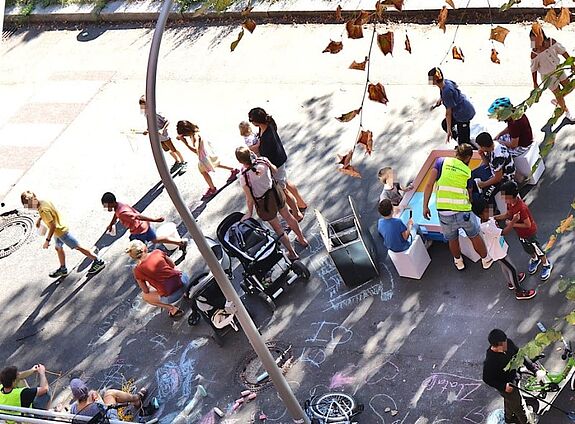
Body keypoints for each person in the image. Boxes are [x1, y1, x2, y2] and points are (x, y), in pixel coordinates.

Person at [422, 144, 493, 270]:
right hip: (463, 212)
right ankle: (485, 259)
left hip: (444, 212)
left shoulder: (440, 162)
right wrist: (470, 204)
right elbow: (469, 193)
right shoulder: (467, 172)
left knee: (452, 239)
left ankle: (458, 261)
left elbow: (429, 185)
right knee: (474, 235)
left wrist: (425, 206)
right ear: (468, 158)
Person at [235, 146, 307, 260]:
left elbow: (249, 198)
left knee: (278, 228)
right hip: (275, 192)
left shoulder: (244, 177)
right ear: (250, 153)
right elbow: (274, 170)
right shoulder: (263, 160)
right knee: (288, 216)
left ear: (240, 161)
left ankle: (292, 253)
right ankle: (302, 239)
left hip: (264, 203)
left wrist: (249, 212)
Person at [21, 191, 105, 278]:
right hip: (58, 231)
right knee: (58, 248)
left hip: (61, 232)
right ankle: (63, 269)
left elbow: (52, 226)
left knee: (78, 247)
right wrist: (40, 219)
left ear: (33, 201)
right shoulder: (43, 202)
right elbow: (50, 213)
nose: (30, 208)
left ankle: (98, 261)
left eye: (29, 206)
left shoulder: (43, 211)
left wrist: (47, 240)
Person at [248, 107, 308, 222]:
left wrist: (255, 149)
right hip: (280, 159)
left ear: (256, 122)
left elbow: (265, 156)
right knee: (285, 182)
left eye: (251, 120)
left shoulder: (266, 138)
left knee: (282, 190)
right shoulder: (268, 124)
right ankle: (301, 203)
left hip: (276, 165)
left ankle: (297, 214)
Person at [471, 198, 536, 300]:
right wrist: (513, 221)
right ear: (480, 215)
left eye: (488, 208)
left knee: (505, 267)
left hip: (499, 248)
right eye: (486, 211)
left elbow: (495, 217)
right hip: (497, 252)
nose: (489, 211)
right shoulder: (486, 227)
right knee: (512, 269)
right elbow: (504, 232)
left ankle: (511, 282)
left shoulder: (487, 217)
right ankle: (519, 291)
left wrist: (506, 215)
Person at [496, 181, 553, 281]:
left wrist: (512, 223)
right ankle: (535, 259)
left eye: (505, 197)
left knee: (537, 249)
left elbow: (528, 224)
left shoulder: (522, 208)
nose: (504, 199)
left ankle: (546, 264)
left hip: (529, 233)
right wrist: (494, 217)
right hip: (521, 234)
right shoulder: (510, 204)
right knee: (527, 248)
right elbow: (507, 214)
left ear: (512, 196)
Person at [101, 192, 188, 253]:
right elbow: (116, 215)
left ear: (112, 202)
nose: (107, 208)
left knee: (136, 249)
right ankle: (180, 242)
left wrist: (155, 220)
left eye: (107, 205)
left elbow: (137, 217)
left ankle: (145, 264)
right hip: (145, 225)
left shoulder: (122, 213)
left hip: (138, 231)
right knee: (155, 240)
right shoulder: (119, 205)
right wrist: (111, 224)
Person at [126, 240, 191, 319]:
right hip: (185, 282)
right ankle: (187, 293)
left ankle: (172, 309)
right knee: (176, 269)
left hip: (172, 296)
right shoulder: (157, 252)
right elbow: (172, 265)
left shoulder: (138, 270)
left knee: (145, 296)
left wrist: (152, 284)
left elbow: (146, 290)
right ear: (144, 248)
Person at [175, 120, 239, 200]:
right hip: (207, 153)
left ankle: (212, 189)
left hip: (203, 157)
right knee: (216, 164)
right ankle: (233, 170)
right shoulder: (195, 129)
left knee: (203, 172)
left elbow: (196, 151)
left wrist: (185, 143)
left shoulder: (195, 137)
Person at [483, 329, 535, 424]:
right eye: (504, 343)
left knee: (510, 402)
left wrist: (533, 368)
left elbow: (520, 355)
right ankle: (525, 422)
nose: (507, 343)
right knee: (519, 407)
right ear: (498, 345)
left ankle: (508, 418)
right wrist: (503, 387)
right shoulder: (490, 361)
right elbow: (487, 379)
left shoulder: (508, 343)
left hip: (514, 378)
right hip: (507, 387)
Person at [530, 29, 574, 120]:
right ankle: (566, 111)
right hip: (548, 77)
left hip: (559, 70)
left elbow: (563, 52)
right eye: (533, 39)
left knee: (570, 87)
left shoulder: (551, 42)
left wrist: (572, 64)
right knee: (558, 94)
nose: (535, 41)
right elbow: (533, 69)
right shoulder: (534, 53)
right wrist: (535, 82)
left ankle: (557, 100)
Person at [138, 96, 187, 174]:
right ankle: (177, 161)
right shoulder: (146, 114)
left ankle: (183, 162)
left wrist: (162, 129)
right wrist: (147, 131)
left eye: (143, 104)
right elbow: (151, 125)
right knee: (167, 150)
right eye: (141, 104)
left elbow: (167, 121)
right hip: (157, 137)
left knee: (173, 149)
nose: (142, 107)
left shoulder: (156, 113)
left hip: (164, 136)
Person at [428, 67, 476, 145]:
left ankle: (465, 145)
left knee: (464, 142)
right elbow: (453, 89)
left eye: (430, 79)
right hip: (462, 107)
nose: (429, 81)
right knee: (445, 124)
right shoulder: (446, 82)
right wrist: (441, 99)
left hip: (463, 114)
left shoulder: (446, 92)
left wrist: (449, 130)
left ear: (435, 80)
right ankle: (460, 138)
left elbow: (448, 113)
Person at [69, 378, 146, 420]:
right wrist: (98, 399)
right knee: (109, 393)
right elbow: (105, 410)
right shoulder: (95, 404)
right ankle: (136, 398)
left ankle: (136, 399)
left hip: (94, 421)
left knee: (106, 395)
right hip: (108, 420)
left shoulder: (73, 408)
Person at [474, 132, 516, 203]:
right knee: (474, 174)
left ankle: (492, 210)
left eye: (480, 146)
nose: (479, 148)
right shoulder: (491, 148)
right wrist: (482, 155)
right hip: (494, 172)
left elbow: (497, 178)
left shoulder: (498, 156)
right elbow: (487, 163)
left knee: (485, 196)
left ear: (484, 147)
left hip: (504, 179)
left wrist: (484, 184)